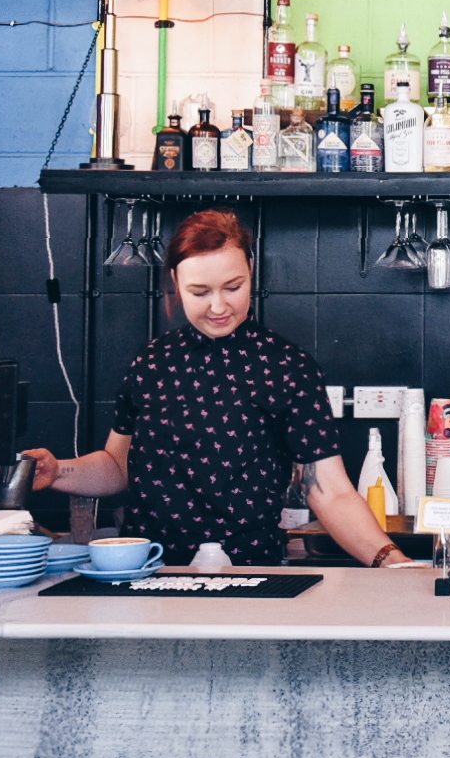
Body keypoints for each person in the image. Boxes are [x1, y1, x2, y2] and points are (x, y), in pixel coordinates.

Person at [26, 209, 413, 569]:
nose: (218, 306)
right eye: (200, 292)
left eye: (233, 287)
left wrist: (393, 563)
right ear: (175, 280)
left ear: (251, 269)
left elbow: (330, 491)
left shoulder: (286, 367)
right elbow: (117, 466)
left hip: (251, 574)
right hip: (151, 570)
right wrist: (60, 470)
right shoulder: (151, 363)